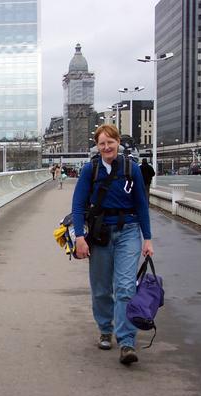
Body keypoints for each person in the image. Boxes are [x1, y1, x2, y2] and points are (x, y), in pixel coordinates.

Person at [71, 124, 154, 365]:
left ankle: (126, 341)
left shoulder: (132, 169)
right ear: (97, 146)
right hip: (100, 234)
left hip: (128, 231)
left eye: (111, 142)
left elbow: (141, 204)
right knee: (101, 288)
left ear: (118, 142)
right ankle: (105, 329)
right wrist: (79, 238)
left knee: (126, 287)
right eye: (102, 143)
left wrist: (147, 238)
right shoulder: (90, 170)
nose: (107, 147)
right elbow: (77, 206)